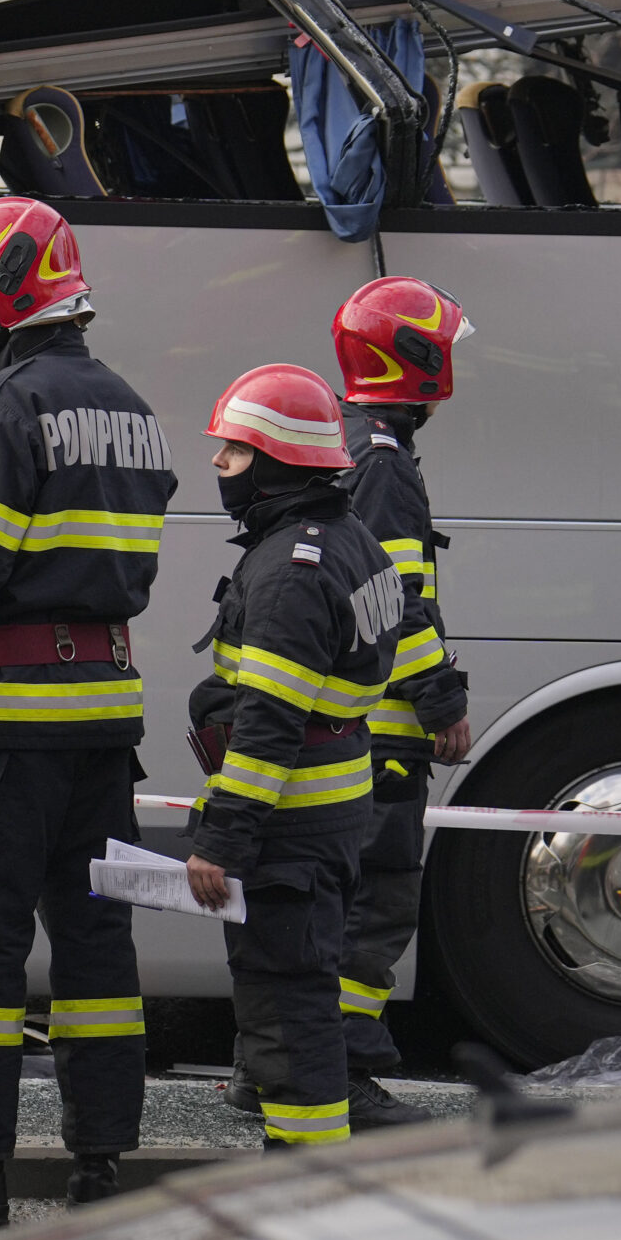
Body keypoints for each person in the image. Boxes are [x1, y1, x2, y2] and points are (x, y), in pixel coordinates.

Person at [0, 199, 173, 1228]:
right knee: (98, 950)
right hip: (106, 724)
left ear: (8, 288)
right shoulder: (131, 405)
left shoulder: (8, 403)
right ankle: (101, 1159)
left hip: (8, 722)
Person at [184, 364, 395, 1152]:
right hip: (332, 817)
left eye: (235, 453)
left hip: (287, 832)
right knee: (305, 995)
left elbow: (270, 724)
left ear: (277, 462)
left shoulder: (287, 573)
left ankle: (302, 1183)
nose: (219, 465)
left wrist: (222, 839)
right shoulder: (354, 542)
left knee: (286, 1008)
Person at [328, 277, 473, 1128]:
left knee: (331, 905)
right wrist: (440, 701)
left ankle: (277, 1064)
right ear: (414, 356)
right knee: (373, 906)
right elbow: (398, 602)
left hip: (354, 726)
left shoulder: (358, 443)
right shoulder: (382, 462)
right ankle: (341, 1071)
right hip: (383, 733)